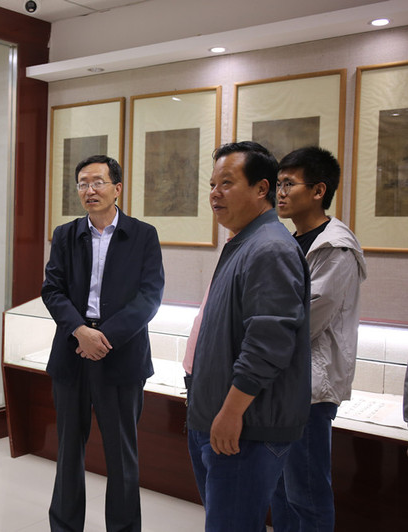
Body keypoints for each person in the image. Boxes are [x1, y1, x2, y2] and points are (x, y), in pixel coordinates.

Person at [186, 141, 311, 531]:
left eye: (227, 183)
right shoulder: (244, 242)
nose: (215, 193)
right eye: (212, 184)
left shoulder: (269, 248)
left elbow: (268, 344)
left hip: (244, 426)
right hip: (218, 417)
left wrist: (230, 413)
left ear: (262, 188)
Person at [41, 154, 164, 532]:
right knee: (68, 451)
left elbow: (150, 296)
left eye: (97, 182)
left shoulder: (142, 235)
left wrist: (103, 338)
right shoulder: (66, 234)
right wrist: (81, 331)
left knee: (122, 454)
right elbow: (52, 290)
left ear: (117, 188)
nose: (89, 190)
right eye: (82, 183)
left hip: (121, 355)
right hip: (73, 351)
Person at [270, 146, 367, 531]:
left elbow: (306, 321)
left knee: (306, 493)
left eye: (288, 184)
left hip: (311, 386)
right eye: (278, 184)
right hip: (281, 379)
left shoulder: (335, 247)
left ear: (318, 190)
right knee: (279, 490)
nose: (279, 193)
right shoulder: (292, 239)